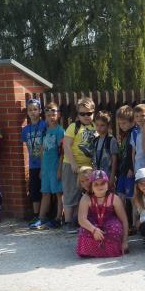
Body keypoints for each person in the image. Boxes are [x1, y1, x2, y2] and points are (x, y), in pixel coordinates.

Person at [75, 170, 128, 258]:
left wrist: (125, 241)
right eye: (96, 184)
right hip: (93, 224)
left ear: (108, 184)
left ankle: (109, 250)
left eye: (103, 183)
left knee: (115, 229)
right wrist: (94, 230)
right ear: (91, 187)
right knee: (84, 230)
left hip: (109, 223)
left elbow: (124, 220)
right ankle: (92, 251)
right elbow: (81, 219)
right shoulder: (86, 198)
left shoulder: (114, 198)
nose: (100, 186)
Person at [62, 98, 96, 233]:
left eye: (89, 113)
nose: (86, 116)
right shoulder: (73, 127)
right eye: (82, 114)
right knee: (70, 192)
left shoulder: (95, 127)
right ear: (78, 114)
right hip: (72, 165)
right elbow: (66, 145)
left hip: (87, 167)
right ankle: (68, 222)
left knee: (84, 194)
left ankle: (78, 221)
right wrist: (73, 163)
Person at [30, 102, 64, 229]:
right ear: (45, 116)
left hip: (55, 167)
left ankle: (59, 218)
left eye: (53, 114)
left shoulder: (60, 131)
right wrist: (41, 168)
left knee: (59, 193)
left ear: (58, 114)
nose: (51, 117)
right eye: (48, 115)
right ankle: (41, 217)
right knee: (45, 193)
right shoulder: (44, 130)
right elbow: (42, 151)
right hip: (46, 168)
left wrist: (59, 169)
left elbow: (62, 153)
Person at [21, 98, 47, 220]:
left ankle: (47, 214)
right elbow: (27, 145)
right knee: (34, 189)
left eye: (35, 109)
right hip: (33, 164)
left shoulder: (45, 125)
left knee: (46, 190)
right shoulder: (25, 130)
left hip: (45, 163)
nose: (32, 112)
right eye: (30, 110)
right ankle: (36, 215)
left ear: (40, 111)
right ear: (27, 112)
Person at [86, 111, 119, 186]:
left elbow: (114, 160)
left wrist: (112, 176)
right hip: (97, 176)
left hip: (108, 175)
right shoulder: (95, 140)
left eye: (102, 125)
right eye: (97, 125)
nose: (99, 128)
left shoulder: (111, 140)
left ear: (108, 126)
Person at [132, 103, 145, 172]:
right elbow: (133, 152)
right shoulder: (134, 132)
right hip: (138, 166)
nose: (139, 118)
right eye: (136, 116)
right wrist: (134, 166)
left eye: (142, 115)